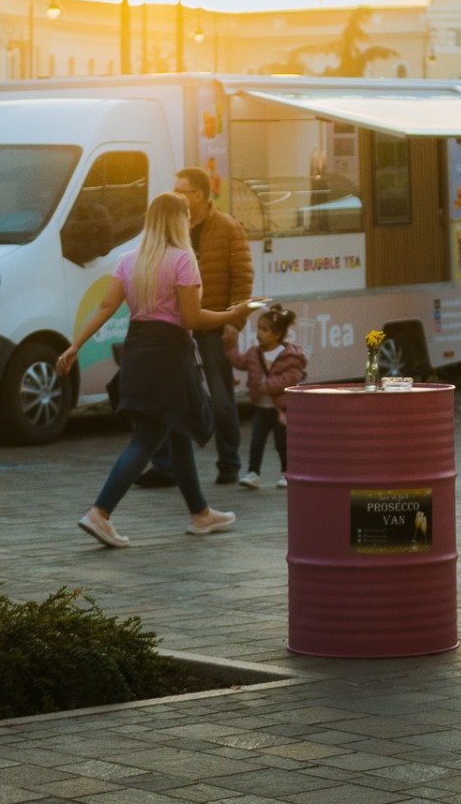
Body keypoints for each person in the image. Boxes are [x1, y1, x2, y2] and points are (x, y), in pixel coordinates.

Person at [63, 191, 251, 548]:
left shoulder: (129, 260)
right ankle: (100, 513)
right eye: (186, 218)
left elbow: (105, 307)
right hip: (169, 353)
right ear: (178, 221)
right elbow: (191, 318)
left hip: (138, 350)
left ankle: (200, 514)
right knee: (148, 437)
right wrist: (234, 313)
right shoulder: (183, 259)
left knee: (176, 431)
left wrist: (75, 346)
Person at [164, 168, 254, 486]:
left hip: (215, 323)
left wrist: (235, 321)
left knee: (220, 395)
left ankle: (229, 462)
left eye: (180, 191)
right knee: (173, 393)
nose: (175, 196)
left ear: (198, 196)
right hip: (180, 324)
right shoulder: (175, 229)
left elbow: (242, 278)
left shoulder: (228, 228)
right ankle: (168, 465)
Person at [225, 303, 305, 488]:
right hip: (261, 408)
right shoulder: (254, 353)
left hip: (280, 409)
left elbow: (293, 376)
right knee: (256, 441)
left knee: (282, 443)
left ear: (277, 334)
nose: (259, 333)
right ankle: (253, 473)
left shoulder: (289, 355)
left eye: (264, 330)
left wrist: (269, 386)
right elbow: (239, 361)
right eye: (258, 329)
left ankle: (287, 473)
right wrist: (230, 345)